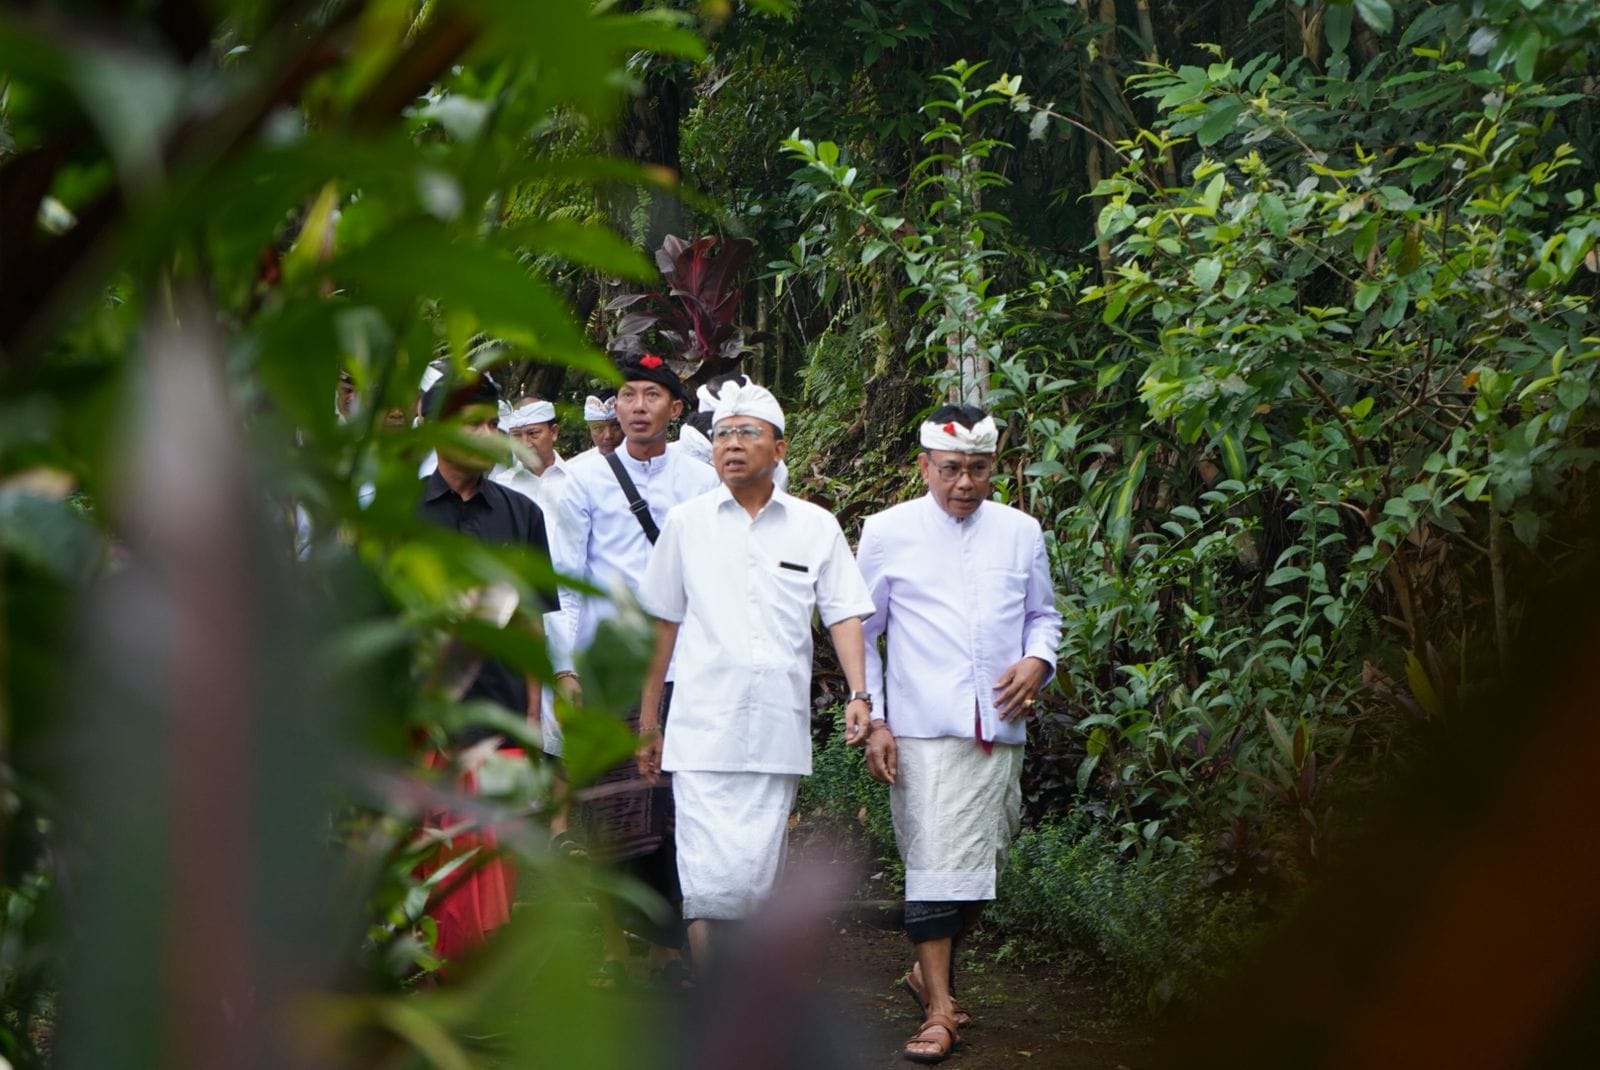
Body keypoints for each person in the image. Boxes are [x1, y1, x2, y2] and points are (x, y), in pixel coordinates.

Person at [637, 380, 876, 971]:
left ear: (780, 447)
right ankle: (717, 1005)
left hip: (776, 730)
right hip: (701, 730)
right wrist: (648, 719)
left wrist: (860, 694)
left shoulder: (814, 526)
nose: (732, 444)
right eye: (722, 433)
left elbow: (844, 613)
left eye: (747, 433)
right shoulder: (686, 524)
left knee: (754, 878)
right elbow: (662, 625)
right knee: (704, 881)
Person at [855, 403, 1062, 1064]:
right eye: (950, 470)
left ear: (994, 467)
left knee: (980, 868)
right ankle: (941, 1008)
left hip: (998, 729)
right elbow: (863, 634)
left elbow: (1043, 616)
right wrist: (877, 719)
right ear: (924, 466)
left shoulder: (1021, 532)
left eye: (977, 469)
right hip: (920, 728)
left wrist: (1038, 660)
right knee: (934, 863)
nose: (964, 484)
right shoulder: (887, 532)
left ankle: (926, 974)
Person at [550, 353, 718, 985]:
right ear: (614, 408)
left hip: (682, 671)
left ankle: (666, 948)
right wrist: (565, 668)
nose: (640, 406)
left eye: (653, 395)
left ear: (675, 408)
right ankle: (613, 944)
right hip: (608, 670)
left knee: (673, 809)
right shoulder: (583, 479)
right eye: (629, 395)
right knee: (608, 809)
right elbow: (565, 583)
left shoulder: (699, 481)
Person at [413, 371, 557, 963]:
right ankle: (432, 981)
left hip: (500, 719)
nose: (488, 435)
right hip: (423, 719)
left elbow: (529, 621)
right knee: (431, 852)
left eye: (494, 424)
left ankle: (477, 988)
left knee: (496, 861)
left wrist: (533, 712)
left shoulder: (522, 514)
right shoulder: (399, 511)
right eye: (472, 423)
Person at [578, 388, 623, 458]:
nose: (608, 435)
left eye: (616, 426)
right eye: (598, 428)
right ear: (589, 428)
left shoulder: (645, 461)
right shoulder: (576, 467)